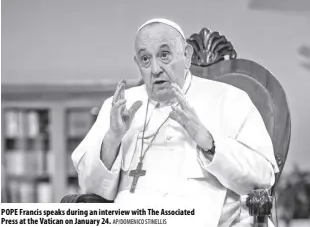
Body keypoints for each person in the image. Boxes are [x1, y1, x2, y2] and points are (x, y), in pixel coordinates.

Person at [72, 18, 279, 226]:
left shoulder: (230, 99)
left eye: (164, 55)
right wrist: (113, 140)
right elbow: (91, 188)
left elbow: (262, 178)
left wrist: (209, 143)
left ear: (187, 56)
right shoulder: (119, 105)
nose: (155, 69)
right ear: (138, 64)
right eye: (145, 59)